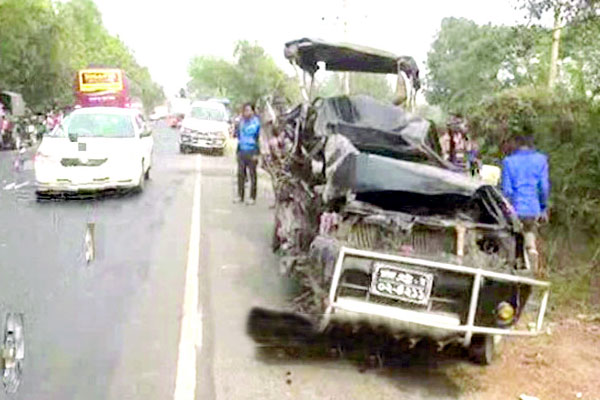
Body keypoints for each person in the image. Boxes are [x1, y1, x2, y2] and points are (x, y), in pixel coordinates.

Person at [501, 134, 550, 272]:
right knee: (529, 230)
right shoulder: (541, 160)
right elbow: (543, 187)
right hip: (532, 208)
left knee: (513, 234)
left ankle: (515, 266)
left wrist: (508, 206)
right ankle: (531, 251)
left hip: (515, 208)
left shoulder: (508, 161)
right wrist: (543, 207)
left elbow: (507, 190)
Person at [234, 103, 261, 205]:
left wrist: (257, 153)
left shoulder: (257, 123)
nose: (247, 112)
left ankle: (252, 197)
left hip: (252, 151)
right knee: (241, 174)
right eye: (245, 110)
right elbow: (238, 136)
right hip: (242, 150)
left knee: (253, 175)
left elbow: (258, 139)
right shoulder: (241, 122)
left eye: (249, 110)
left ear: (253, 111)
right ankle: (240, 196)